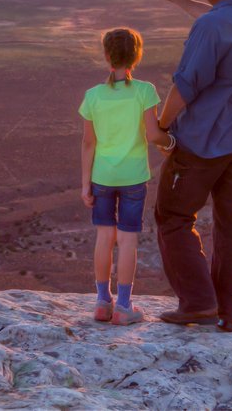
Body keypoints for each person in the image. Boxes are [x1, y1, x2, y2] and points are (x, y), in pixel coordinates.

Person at [144, 0, 232, 333]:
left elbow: (186, 86)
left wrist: (162, 126)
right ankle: (230, 311)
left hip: (201, 145)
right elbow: (215, 17)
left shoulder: (210, 28)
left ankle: (198, 302)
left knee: (174, 217)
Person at [78, 27, 169, 325]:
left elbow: (88, 143)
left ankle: (103, 302)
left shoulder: (93, 96)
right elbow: (154, 134)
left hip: (102, 177)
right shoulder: (145, 91)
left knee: (104, 237)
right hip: (133, 178)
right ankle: (125, 306)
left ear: (107, 56)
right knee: (128, 240)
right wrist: (173, 145)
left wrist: (85, 185)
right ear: (137, 56)